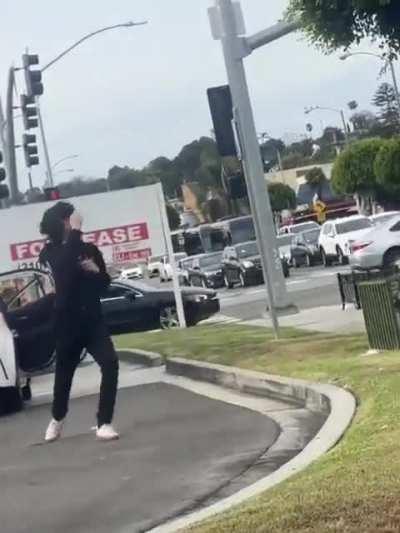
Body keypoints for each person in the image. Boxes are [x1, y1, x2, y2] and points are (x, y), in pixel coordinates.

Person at [39, 202, 119, 442]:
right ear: (60, 222)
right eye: (67, 219)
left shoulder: (89, 249)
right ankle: (57, 418)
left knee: (110, 363)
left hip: (92, 320)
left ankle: (104, 422)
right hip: (66, 323)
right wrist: (74, 232)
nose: (71, 222)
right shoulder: (50, 253)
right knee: (64, 376)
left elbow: (104, 284)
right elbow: (64, 269)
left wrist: (96, 270)